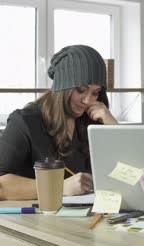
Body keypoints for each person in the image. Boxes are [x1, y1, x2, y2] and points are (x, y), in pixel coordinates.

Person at [0, 45, 118, 200]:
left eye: (95, 93)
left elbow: (128, 172)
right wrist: (58, 188)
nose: (87, 100)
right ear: (63, 86)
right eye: (81, 90)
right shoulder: (25, 122)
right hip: (36, 218)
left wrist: (113, 127)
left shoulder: (92, 120)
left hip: (85, 215)